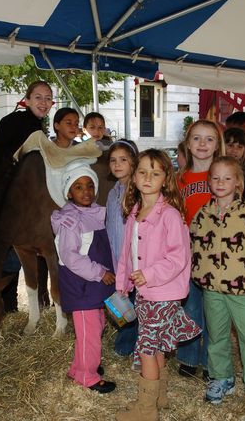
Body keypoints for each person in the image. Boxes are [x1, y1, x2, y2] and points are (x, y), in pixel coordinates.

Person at [191, 156, 245, 421]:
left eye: (227, 178)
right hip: (212, 290)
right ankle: (222, 378)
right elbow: (194, 245)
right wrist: (200, 274)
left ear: (238, 183)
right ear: (209, 181)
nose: (220, 182)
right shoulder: (202, 214)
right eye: (215, 177)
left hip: (241, 290)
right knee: (217, 337)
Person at [115, 149, 201, 421]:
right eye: (142, 172)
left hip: (162, 292)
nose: (147, 178)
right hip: (145, 292)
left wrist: (149, 274)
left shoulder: (170, 215)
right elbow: (126, 253)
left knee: (146, 349)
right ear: (134, 177)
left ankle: (146, 409)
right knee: (158, 345)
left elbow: (178, 257)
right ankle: (159, 397)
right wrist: (121, 285)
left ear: (166, 179)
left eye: (155, 173)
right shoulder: (135, 213)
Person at [0, 80, 54, 311]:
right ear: (27, 99)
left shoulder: (38, 126)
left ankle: (8, 306)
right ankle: (3, 306)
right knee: (4, 252)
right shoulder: (15, 121)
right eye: (38, 97)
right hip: (1, 194)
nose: (43, 103)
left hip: (18, 197)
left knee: (14, 252)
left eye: (48, 98)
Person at [50, 162, 117, 394]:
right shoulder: (71, 220)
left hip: (92, 286)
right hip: (82, 285)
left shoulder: (93, 213)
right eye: (78, 187)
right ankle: (88, 376)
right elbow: (70, 257)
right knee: (89, 332)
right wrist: (100, 272)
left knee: (94, 327)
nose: (86, 191)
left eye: (90, 185)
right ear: (69, 192)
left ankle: (78, 368)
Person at [175, 120, 225, 380]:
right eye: (196, 138)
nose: (202, 144)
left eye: (209, 139)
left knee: (215, 310)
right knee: (191, 308)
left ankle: (211, 361)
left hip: (217, 256)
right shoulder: (179, 179)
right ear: (188, 143)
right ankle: (188, 357)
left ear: (218, 145)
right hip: (187, 254)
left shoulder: (224, 175)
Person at [105, 139, 139, 358]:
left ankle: (127, 345)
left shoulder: (138, 192)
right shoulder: (112, 193)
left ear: (134, 162)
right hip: (116, 259)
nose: (117, 165)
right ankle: (127, 341)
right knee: (123, 302)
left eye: (123, 160)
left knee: (136, 304)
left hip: (135, 261)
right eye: (113, 160)